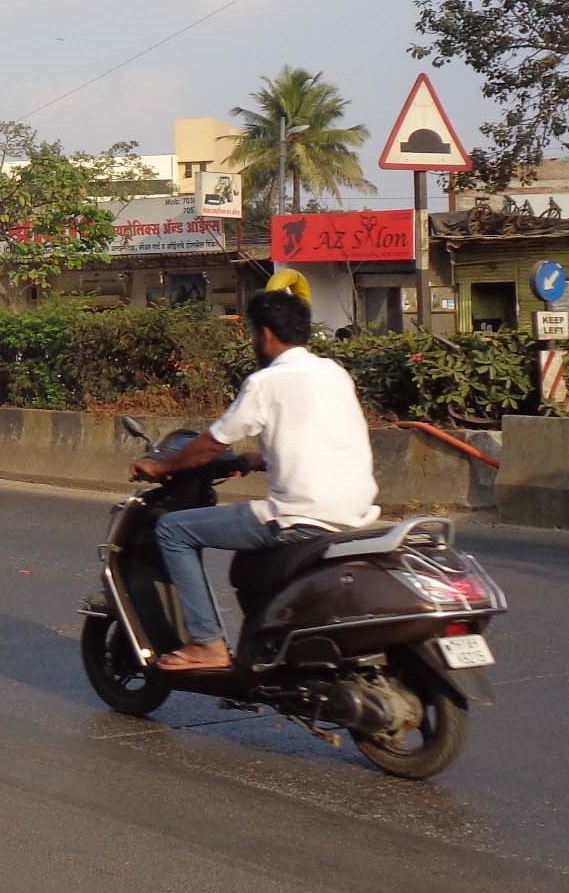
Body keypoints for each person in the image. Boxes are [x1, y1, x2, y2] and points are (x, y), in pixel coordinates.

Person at [131, 288, 381, 673]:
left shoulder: (266, 382)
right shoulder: (333, 373)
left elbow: (211, 444)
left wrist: (161, 468)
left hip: (298, 515)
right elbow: (318, 435)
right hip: (356, 513)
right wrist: (258, 459)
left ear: (264, 334)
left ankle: (208, 643)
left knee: (171, 530)